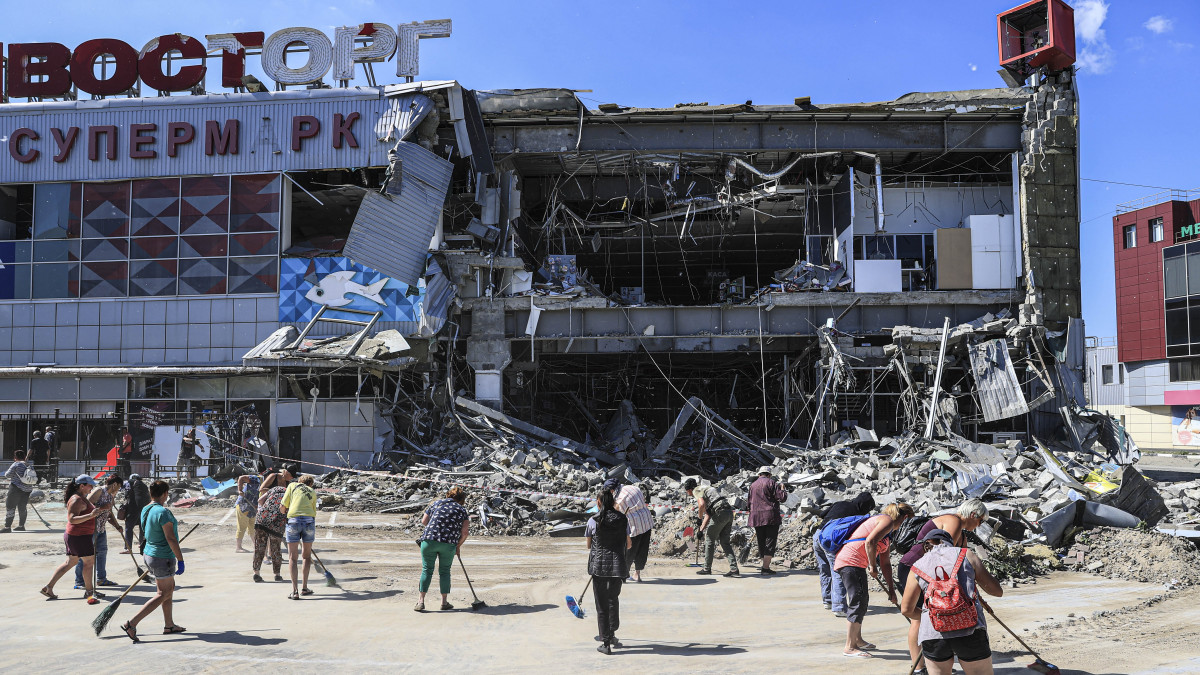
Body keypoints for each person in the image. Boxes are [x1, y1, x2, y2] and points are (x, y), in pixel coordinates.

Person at [898, 499, 991, 673]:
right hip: (916, 570)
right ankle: (919, 668)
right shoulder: (954, 521)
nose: (979, 526)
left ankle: (937, 662)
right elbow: (946, 559)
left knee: (936, 611)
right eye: (980, 521)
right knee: (923, 615)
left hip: (925, 572)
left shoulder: (961, 533)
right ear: (973, 515)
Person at [833, 501, 915, 658]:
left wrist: (892, 590)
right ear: (904, 518)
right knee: (858, 601)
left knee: (862, 599)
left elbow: (885, 563)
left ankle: (857, 639)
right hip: (850, 562)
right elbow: (870, 542)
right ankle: (849, 647)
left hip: (855, 563)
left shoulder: (887, 533)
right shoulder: (886, 521)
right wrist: (872, 566)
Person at [121, 479, 186, 641]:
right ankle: (132, 623)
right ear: (165, 494)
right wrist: (181, 558)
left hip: (150, 554)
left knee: (168, 590)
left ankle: (169, 625)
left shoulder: (146, 509)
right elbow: (171, 538)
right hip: (162, 556)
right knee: (163, 593)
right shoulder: (163, 512)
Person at [40, 475, 104, 603]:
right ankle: (90, 592)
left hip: (77, 536)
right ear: (82, 486)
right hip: (79, 536)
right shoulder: (76, 500)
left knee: (71, 562)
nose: (92, 488)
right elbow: (72, 519)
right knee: (89, 562)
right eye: (90, 485)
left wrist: (94, 513)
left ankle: (49, 587)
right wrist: (91, 515)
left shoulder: (82, 498)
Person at [814, 492, 876, 616]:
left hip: (818, 535)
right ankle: (839, 607)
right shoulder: (858, 516)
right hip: (831, 540)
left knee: (824, 569)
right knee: (837, 571)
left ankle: (828, 601)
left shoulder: (841, 503)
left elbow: (821, 514)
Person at [587, 489, 631, 655]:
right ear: (613, 503)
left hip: (598, 567)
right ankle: (612, 634)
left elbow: (589, 546)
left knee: (602, 606)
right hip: (618, 566)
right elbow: (628, 544)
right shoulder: (622, 519)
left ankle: (605, 642)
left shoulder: (593, 521)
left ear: (598, 503)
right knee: (613, 599)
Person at [415, 486, 470, 612]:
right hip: (448, 543)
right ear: (461, 500)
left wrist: (437, 527)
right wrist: (458, 545)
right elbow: (465, 532)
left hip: (429, 541)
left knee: (427, 570)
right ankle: (444, 602)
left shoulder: (437, 503)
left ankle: (420, 602)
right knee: (444, 571)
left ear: (448, 495)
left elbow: (424, 521)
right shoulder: (462, 510)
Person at [74, 475, 123, 590]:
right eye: (119, 486)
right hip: (90, 528)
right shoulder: (99, 490)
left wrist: (117, 526)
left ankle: (101, 579)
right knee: (85, 555)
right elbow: (86, 506)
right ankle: (79, 581)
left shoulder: (111, 496)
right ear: (114, 484)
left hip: (101, 528)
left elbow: (109, 514)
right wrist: (102, 507)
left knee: (102, 553)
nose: (119, 489)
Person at [683, 478, 739, 577]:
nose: (688, 493)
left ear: (689, 489)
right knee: (725, 542)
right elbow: (708, 515)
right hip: (729, 513)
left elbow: (701, 505)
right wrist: (700, 530)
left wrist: (699, 518)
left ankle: (706, 568)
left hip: (719, 513)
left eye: (687, 491)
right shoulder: (706, 489)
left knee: (709, 539)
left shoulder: (696, 490)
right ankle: (734, 569)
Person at [606, 477, 653, 582]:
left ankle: (623, 576)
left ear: (612, 490)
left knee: (629, 551)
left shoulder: (618, 500)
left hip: (634, 526)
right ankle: (637, 574)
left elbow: (615, 516)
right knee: (642, 549)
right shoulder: (632, 487)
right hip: (646, 521)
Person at [280, 466, 317, 599]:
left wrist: (284, 513)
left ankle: (295, 591)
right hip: (308, 521)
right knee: (306, 557)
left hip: (293, 521)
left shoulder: (292, 486)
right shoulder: (312, 491)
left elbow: (283, 507)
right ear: (310, 484)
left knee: (292, 558)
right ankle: (304, 587)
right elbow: (313, 512)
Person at [747, 466, 788, 575]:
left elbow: (749, 502)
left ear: (759, 474)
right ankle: (765, 568)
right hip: (770, 517)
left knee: (761, 541)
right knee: (770, 541)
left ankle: (764, 565)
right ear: (769, 475)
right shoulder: (771, 483)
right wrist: (783, 489)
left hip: (756, 516)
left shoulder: (753, 485)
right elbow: (782, 498)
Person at [253, 468, 288, 583]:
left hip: (261, 519)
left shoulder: (274, 489)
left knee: (259, 547)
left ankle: (256, 573)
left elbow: (260, 500)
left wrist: (266, 509)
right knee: (275, 549)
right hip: (276, 523)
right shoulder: (289, 493)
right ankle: (277, 575)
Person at [3, 450, 34, 532]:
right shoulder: (28, 465)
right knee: (22, 507)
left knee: (10, 506)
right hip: (27, 490)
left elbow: (7, 475)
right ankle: (21, 526)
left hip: (16, 488)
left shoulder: (16, 464)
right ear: (24, 457)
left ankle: (7, 527)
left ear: (15, 457)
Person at [121, 474, 152, 555]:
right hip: (144, 509)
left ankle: (128, 548)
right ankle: (142, 545)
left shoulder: (130, 482)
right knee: (142, 528)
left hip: (133, 509)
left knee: (129, 528)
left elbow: (124, 490)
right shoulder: (144, 485)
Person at [234, 470, 263, 553]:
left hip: (253, 508)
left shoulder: (268, 486)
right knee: (242, 527)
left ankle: (256, 546)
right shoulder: (257, 479)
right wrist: (240, 490)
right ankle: (238, 548)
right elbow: (241, 478)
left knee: (253, 528)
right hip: (244, 505)